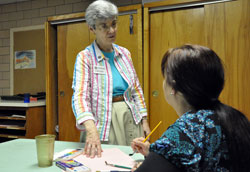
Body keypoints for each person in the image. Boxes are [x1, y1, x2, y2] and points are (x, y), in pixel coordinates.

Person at [131, 44, 250, 172]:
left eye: (165, 77)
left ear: (173, 88)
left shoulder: (184, 131)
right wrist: (154, 154)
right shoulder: (237, 119)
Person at [71, 0, 150, 158]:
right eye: (104, 26)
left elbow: (136, 90)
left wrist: (144, 120)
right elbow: (80, 97)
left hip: (130, 118)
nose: (111, 30)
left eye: (114, 24)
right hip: (103, 122)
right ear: (92, 28)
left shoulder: (125, 54)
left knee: (134, 161)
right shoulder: (85, 57)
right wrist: (91, 130)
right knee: (105, 163)